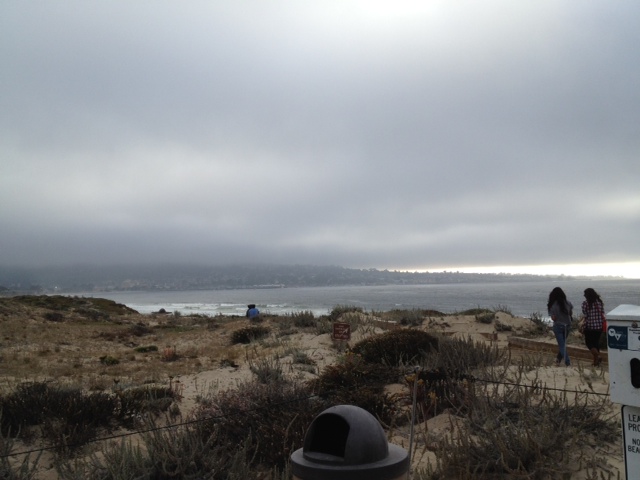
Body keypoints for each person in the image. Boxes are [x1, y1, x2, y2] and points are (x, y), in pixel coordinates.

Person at [547, 287, 573, 366]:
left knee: (562, 345)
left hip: (558, 326)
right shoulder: (568, 303)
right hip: (567, 325)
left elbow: (553, 318)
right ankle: (558, 359)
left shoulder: (553, 305)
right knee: (563, 344)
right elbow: (570, 314)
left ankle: (567, 362)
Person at [582, 288, 606, 366]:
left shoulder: (585, 303)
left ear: (587, 295)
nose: (584, 295)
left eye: (585, 294)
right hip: (599, 327)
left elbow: (585, 315)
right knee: (596, 343)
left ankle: (597, 356)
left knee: (589, 343)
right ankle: (596, 362)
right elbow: (602, 312)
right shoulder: (599, 302)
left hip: (589, 326)